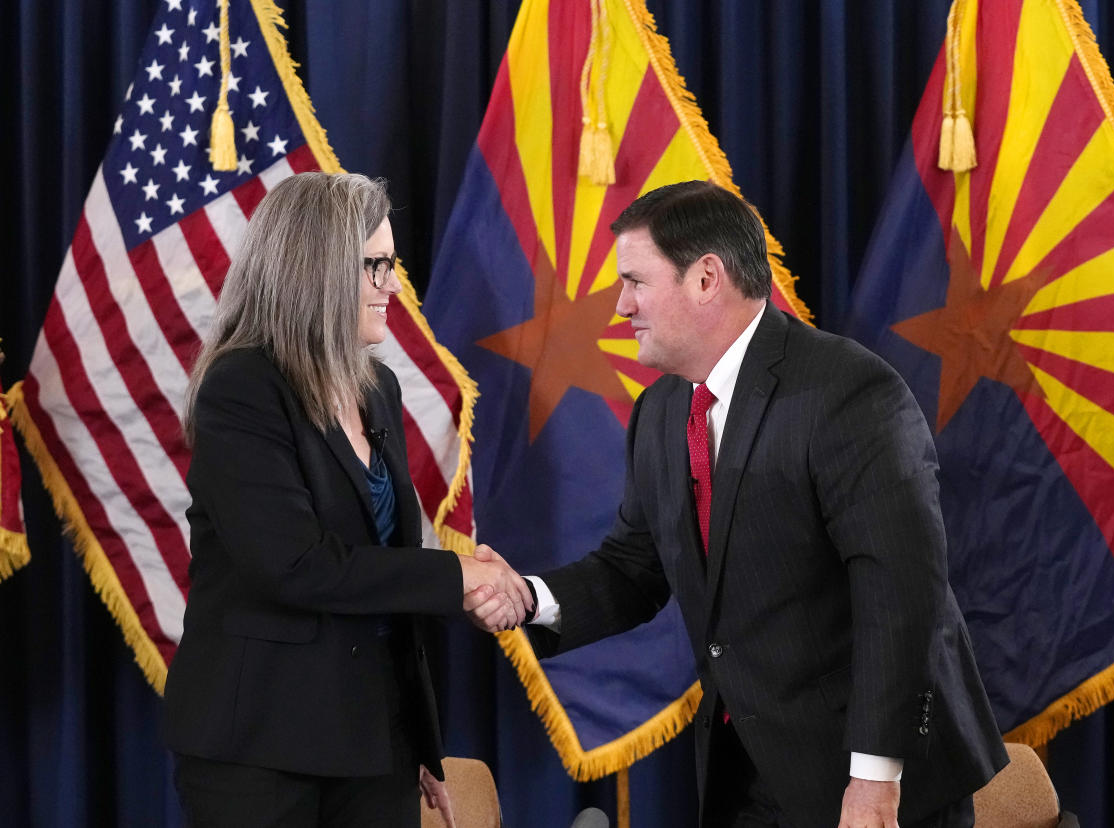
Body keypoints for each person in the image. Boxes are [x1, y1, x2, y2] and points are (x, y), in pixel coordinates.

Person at [470, 181, 1008, 827]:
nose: (621, 306)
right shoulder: (664, 410)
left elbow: (901, 596)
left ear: (705, 278)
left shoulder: (848, 393)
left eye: (636, 281)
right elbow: (634, 566)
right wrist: (528, 598)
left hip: (869, 775)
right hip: (744, 770)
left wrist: (873, 781)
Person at [164, 171, 530, 827]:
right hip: (262, 747)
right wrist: (456, 577)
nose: (392, 283)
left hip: (374, 740)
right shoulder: (243, 388)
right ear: (316, 272)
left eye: (392, 264)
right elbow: (295, 566)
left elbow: (388, 561)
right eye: (374, 266)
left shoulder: (376, 387)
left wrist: (419, 739)